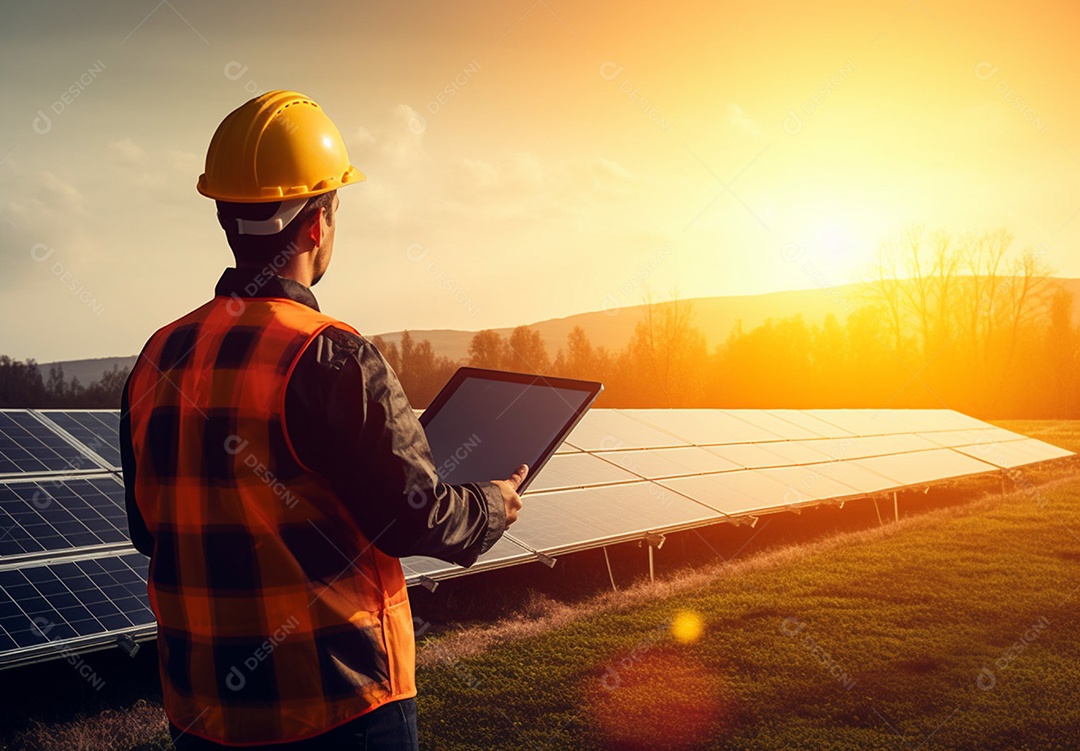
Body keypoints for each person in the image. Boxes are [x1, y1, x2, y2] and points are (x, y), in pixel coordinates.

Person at [120, 90, 528, 750]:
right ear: (317, 224)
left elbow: (149, 528)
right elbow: (413, 515)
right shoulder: (331, 355)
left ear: (226, 218)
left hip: (202, 715)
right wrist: (490, 504)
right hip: (340, 710)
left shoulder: (156, 357)